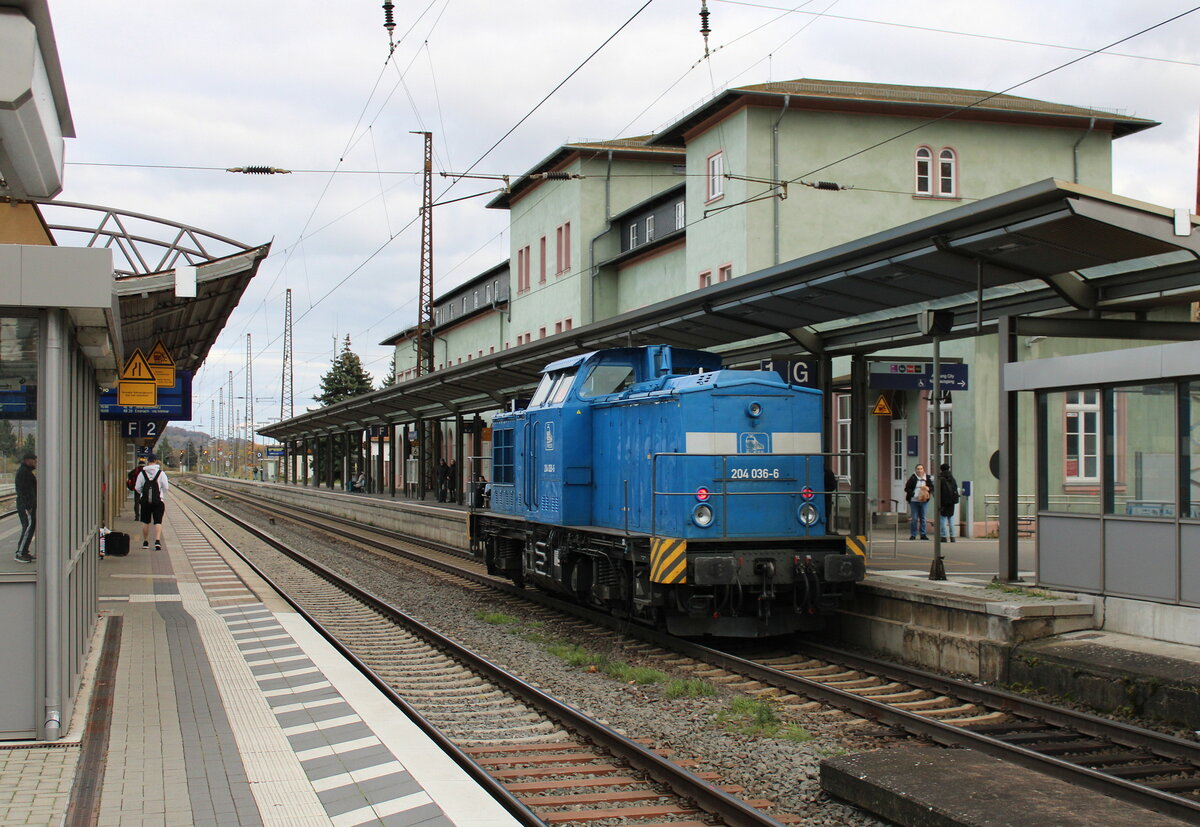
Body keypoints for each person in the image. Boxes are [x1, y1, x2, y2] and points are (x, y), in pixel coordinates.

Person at [134, 453, 169, 550]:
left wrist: (144, 493)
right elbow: (166, 487)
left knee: (145, 522)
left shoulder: (142, 473)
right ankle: (157, 541)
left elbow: (137, 487)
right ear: (156, 461)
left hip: (145, 502)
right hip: (158, 501)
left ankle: (145, 542)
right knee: (158, 521)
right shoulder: (161, 473)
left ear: (148, 462)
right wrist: (160, 493)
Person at [14, 452, 36, 563]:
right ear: (28, 460)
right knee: (27, 527)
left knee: (30, 527)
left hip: (27, 505)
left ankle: (25, 551)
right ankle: (20, 553)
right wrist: (28, 505)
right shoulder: (24, 473)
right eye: (33, 460)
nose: (35, 462)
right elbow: (24, 491)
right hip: (26, 506)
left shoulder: (26, 472)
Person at [904, 462, 932, 540]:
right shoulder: (913, 478)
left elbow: (932, 487)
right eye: (918, 469)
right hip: (914, 501)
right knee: (914, 518)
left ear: (923, 470)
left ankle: (923, 534)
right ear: (916, 470)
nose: (919, 470)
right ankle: (913, 534)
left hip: (924, 500)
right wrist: (912, 494)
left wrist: (928, 488)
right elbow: (906, 488)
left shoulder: (927, 478)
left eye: (921, 469)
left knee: (923, 517)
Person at [938, 462, 960, 542]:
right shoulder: (952, 478)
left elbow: (938, 491)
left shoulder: (940, 478)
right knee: (951, 518)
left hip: (943, 501)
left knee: (943, 519)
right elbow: (955, 488)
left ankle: (944, 536)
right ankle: (952, 536)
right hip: (951, 501)